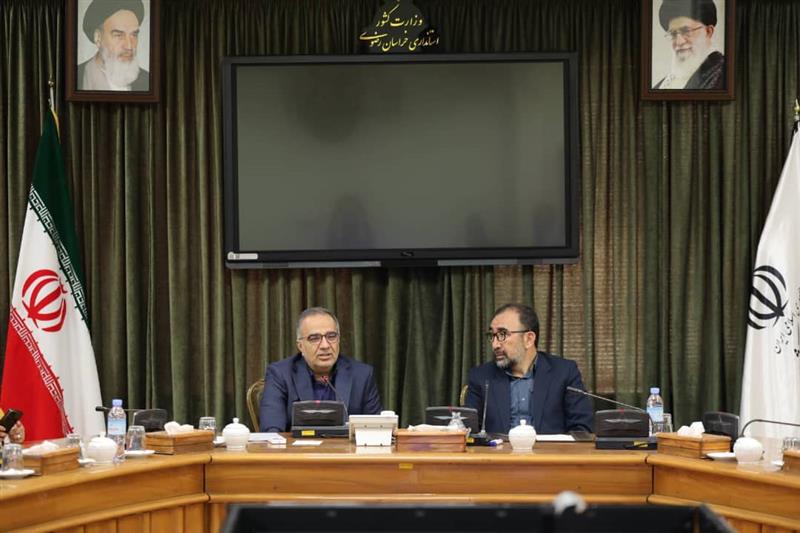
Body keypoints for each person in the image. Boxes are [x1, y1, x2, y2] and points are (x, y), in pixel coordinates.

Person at [465, 303, 593, 435]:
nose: (495, 344)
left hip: (550, 448)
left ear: (529, 339)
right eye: (492, 336)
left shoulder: (564, 372)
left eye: (502, 334)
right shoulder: (481, 377)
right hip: (500, 448)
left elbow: (582, 428)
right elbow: (469, 431)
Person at [259, 307, 382, 432]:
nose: (325, 345)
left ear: (338, 340)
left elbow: (376, 430)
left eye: (331, 336)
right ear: (300, 346)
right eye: (314, 338)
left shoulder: (362, 375)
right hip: (298, 445)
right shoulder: (280, 374)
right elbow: (271, 432)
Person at [77, 0, 149, 91]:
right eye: (119, 35)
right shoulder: (75, 77)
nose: (129, 46)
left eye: (134, 35)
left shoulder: (148, 80)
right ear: (98, 38)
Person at [653, 0, 724, 90]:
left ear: (708, 32)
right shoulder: (663, 84)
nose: (679, 42)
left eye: (686, 31)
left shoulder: (723, 74)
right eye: (673, 34)